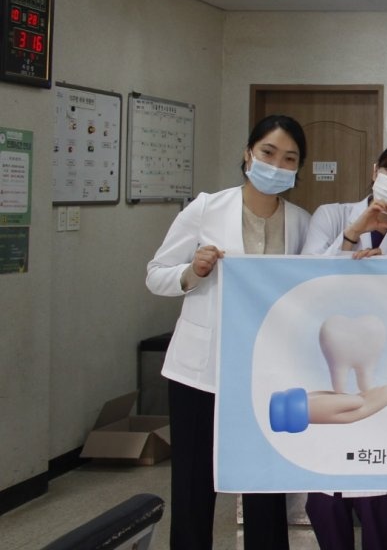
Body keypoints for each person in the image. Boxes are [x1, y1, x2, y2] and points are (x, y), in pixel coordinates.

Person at [146, 114, 311, 550]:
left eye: (289, 158)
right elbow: (156, 274)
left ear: (298, 168)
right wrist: (192, 271)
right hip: (201, 372)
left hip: (267, 374)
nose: (276, 165)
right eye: (268, 153)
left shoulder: (301, 222)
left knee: (264, 485)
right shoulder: (206, 208)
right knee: (194, 484)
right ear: (248, 154)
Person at [299, 138, 387, 550]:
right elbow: (302, 278)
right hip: (325, 358)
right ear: (375, 171)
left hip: (386, 364)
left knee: (378, 498)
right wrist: (353, 235)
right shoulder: (332, 215)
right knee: (326, 494)